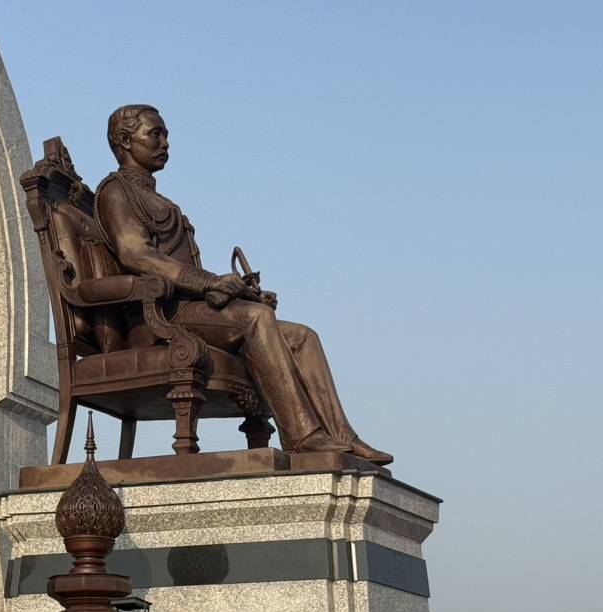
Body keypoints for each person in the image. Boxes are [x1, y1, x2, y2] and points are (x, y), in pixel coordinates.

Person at [94, 104, 392, 466]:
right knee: (254, 319)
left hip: (187, 308)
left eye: (166, 135)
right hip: (157, 317)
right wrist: (209, 283)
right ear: (126, 140)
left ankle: (342, 435)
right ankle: (302, 436)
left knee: (302, 336)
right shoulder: (115, 192)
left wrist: (237, 289)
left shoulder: (157, 198)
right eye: (155, 134)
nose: (165, 143)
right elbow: (137, 256)